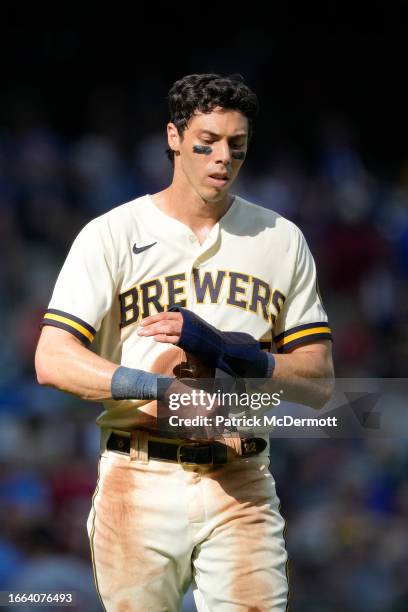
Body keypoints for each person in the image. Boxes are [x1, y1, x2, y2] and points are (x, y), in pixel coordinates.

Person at [35, 73, 334, 612]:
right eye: (207, 143)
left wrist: (238, 352)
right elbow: (52, 359)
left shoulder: (281, 239)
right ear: (173, 137)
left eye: (236, 146)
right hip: (139, 477)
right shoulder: (111, 234)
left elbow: (319, 382)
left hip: (242, 477)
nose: (223, 158)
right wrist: (155, 388)